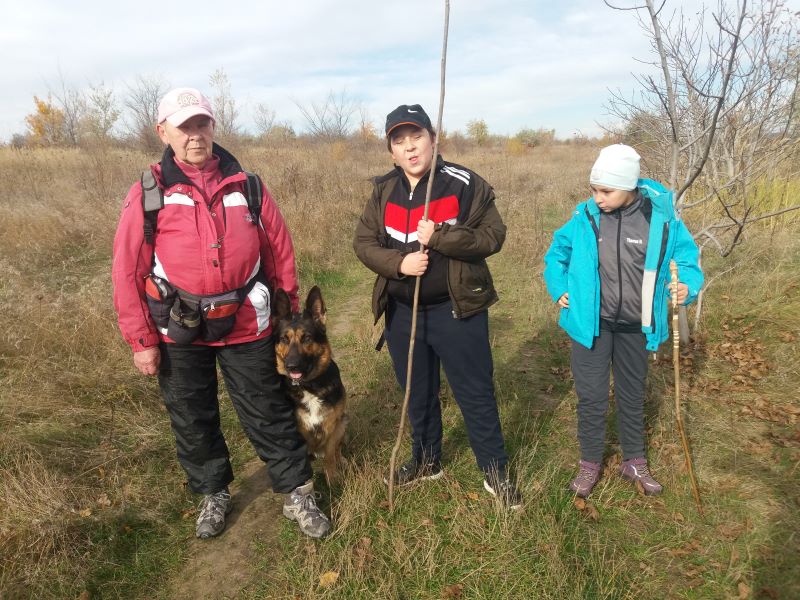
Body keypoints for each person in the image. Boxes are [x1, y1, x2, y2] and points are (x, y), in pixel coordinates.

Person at [112, 87, 330, 539]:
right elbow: (127, 268)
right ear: (163, 131)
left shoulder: (247, 185)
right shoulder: (149, 190)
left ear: (213, 127)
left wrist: (287, 313)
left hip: (247, 321)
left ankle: (297, 491)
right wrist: (141, 340)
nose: (195, 135)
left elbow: (279, 253)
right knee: (192, 415)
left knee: (267, 408)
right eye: (184, 126)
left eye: (202, 124)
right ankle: (213, 492)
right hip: (177, 327)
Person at [353, 104, 522, 509]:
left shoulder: (464, 183)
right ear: (392, 151)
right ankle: (427, 461)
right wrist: (400, 264)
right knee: (417, 392)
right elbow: (364, 243)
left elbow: (493, 236)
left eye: (417, 137)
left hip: (456, 310)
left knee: (475, 392)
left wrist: (442, 237)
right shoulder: (384, 190)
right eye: (400, 141)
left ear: (433, 139)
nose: (410, 148)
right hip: (402, 313)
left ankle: (495, 471)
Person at [543, 144, 704, 498]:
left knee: (631, 394)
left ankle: (634, 460)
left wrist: (686, 286)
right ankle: (590, 463)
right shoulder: (585, 216)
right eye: (594, 189)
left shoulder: (660, 219)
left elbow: (686, 259)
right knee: (591, 396)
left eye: (606, 191)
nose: (597, 198)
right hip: (591, 325)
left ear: (629, 186)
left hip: (636, 325)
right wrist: (559, 287)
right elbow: (557, 253)